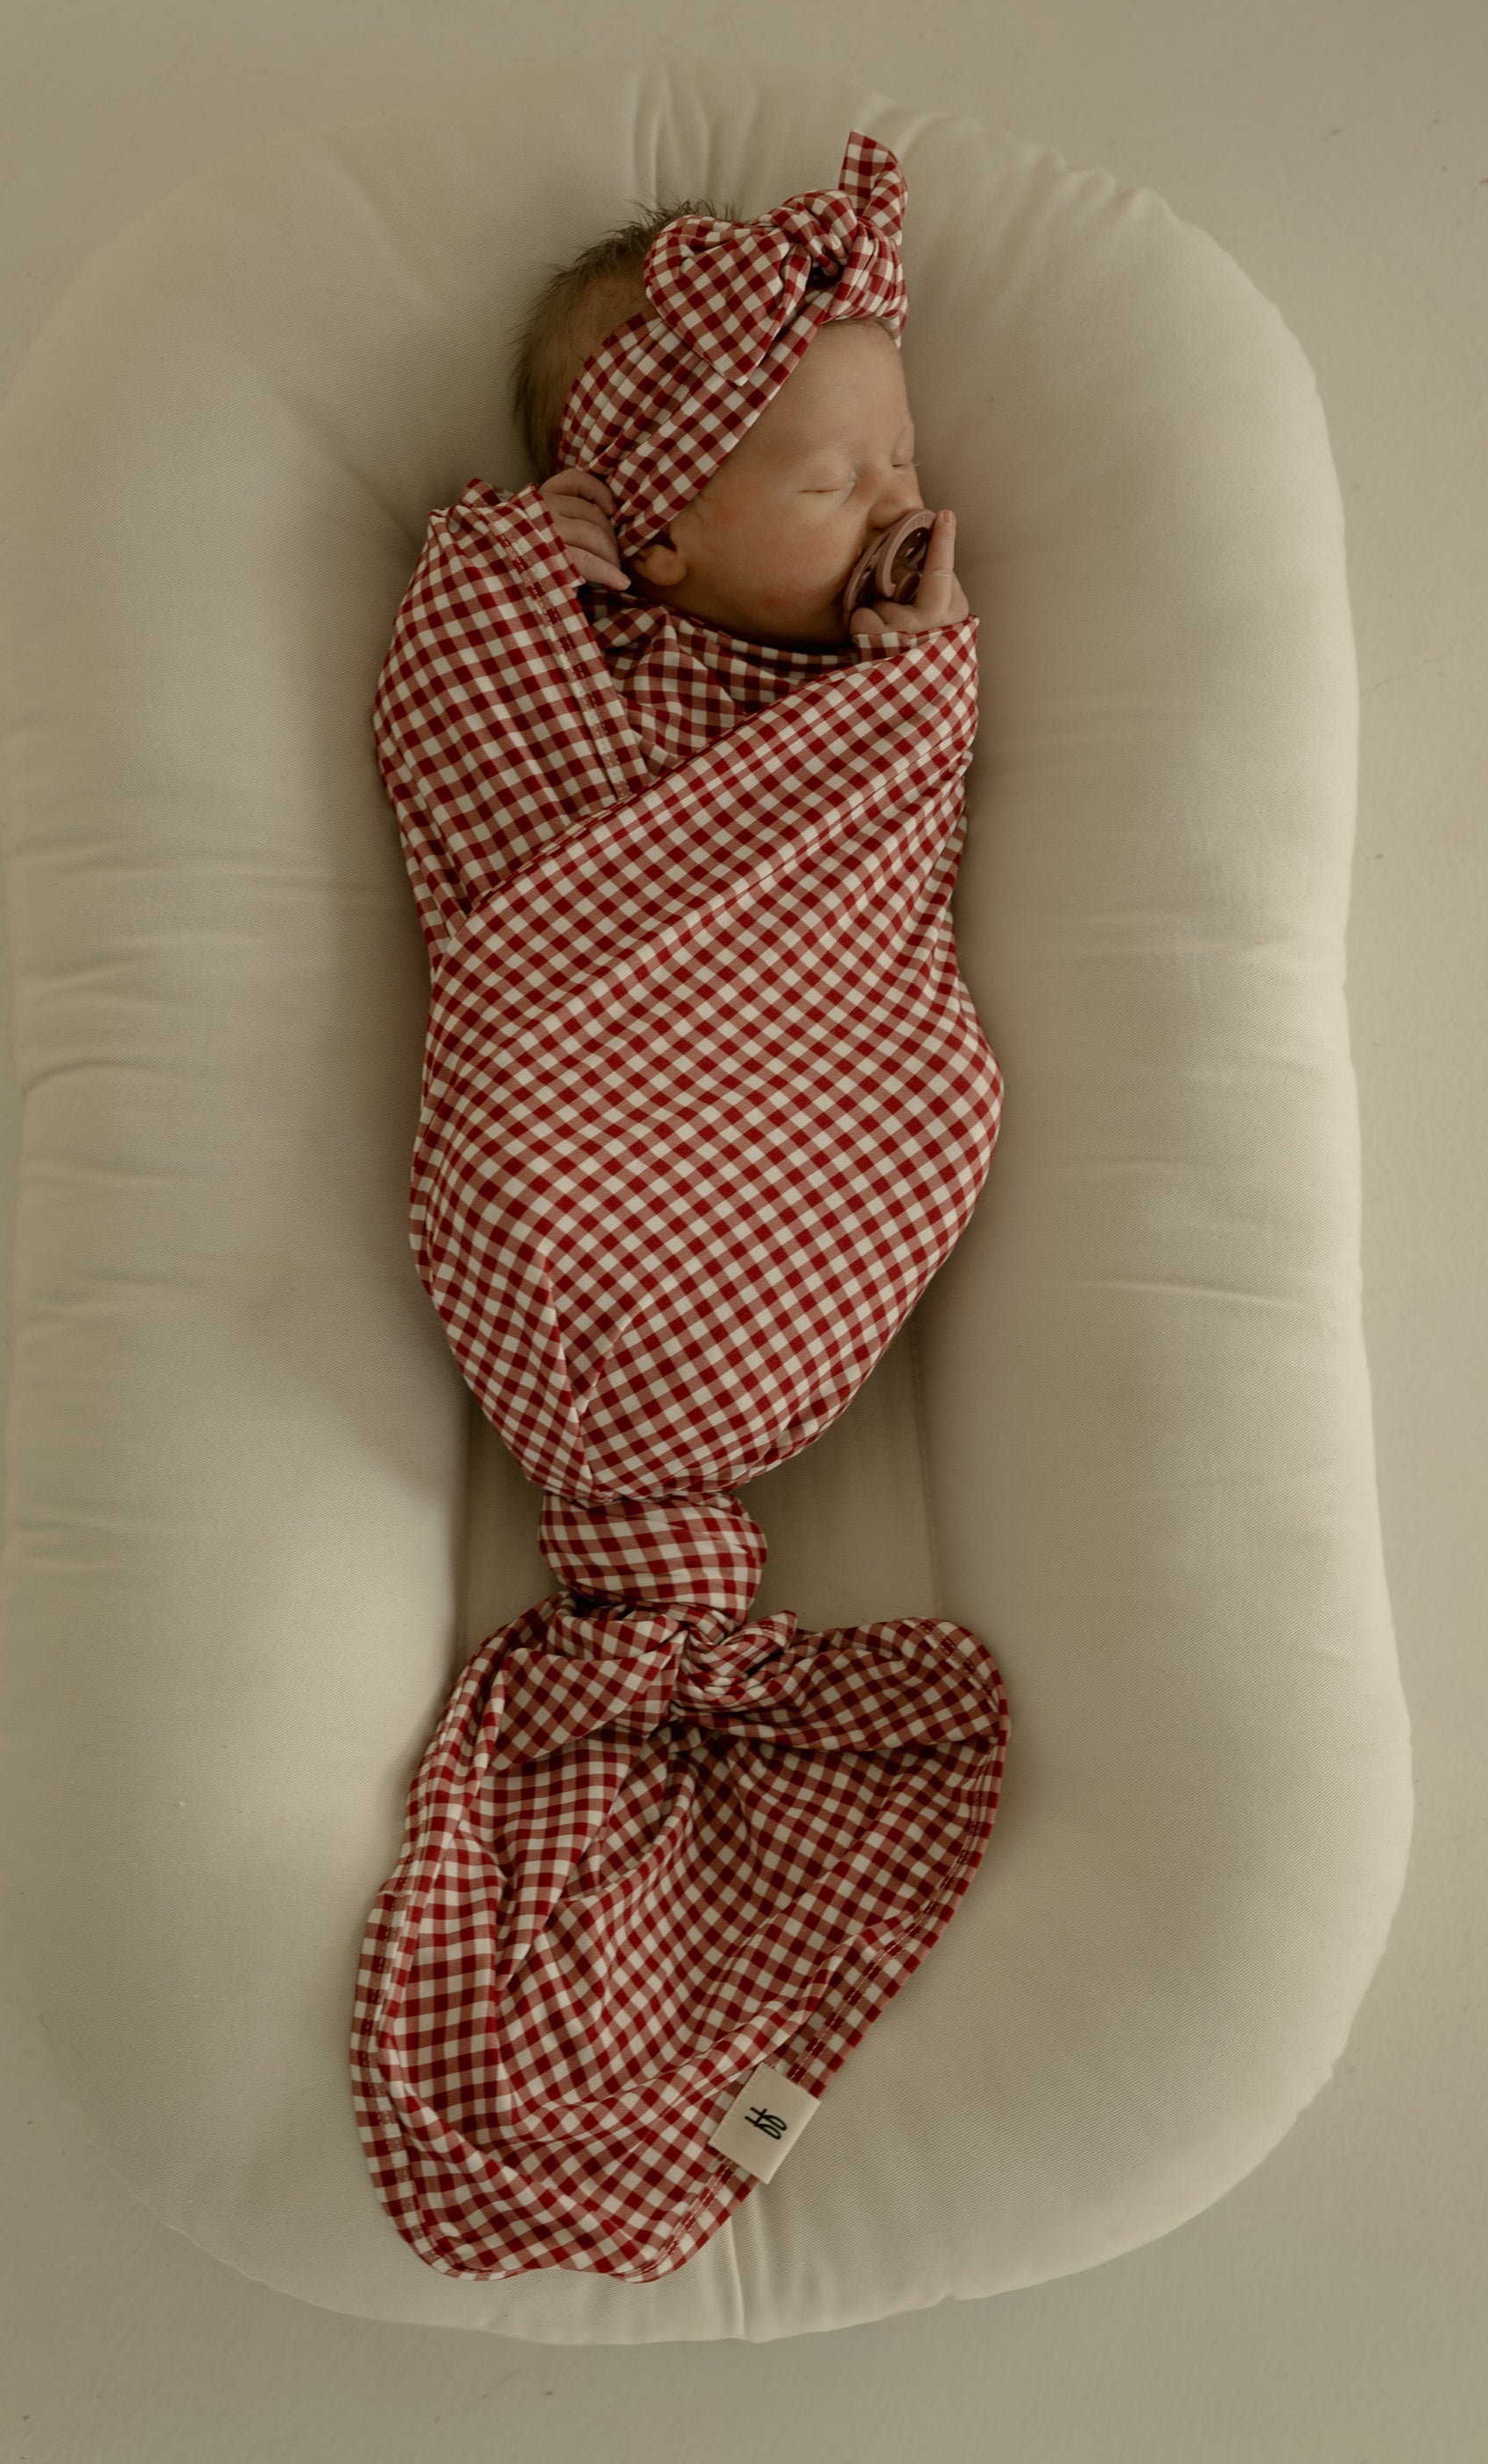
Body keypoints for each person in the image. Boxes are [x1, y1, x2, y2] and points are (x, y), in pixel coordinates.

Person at [349, 132, 1008, 2288]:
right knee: (552, 1095)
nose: (898, 505)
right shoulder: (551, 643)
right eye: (828, 478)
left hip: (790, 1185)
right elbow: (479, 788)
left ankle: (665, 1630)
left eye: (898, 452)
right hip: (586, 1222)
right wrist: (510, 555)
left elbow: (869, 885)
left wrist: (910, 679)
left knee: (941, 1067)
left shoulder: (859, 688)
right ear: (642, 509)